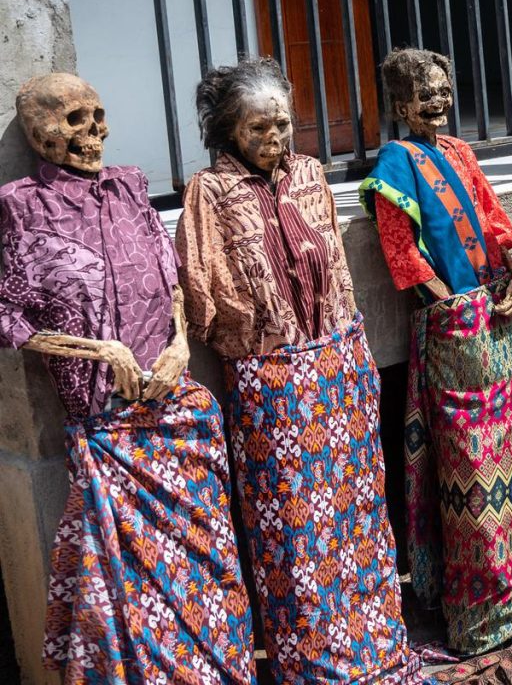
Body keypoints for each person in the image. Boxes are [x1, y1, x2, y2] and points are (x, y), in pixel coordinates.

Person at [0, 73, 255, 682]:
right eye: (73, 122)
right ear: (39, 135)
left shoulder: (130, 184)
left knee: (207, 566)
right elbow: (6, 315)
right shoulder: (20, 205)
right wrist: (99, 352)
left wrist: (180, 347)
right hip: (107, 424)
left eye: (98, 116)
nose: (95, 135)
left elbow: (172, 283)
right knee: (140, 588)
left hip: (181, 417)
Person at [175, 57, 423, 683]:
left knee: (357, 514)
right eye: (257, 129)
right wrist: (263, 337)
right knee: (294, 531)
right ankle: (315, 660)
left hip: (340, 368)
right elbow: (203, 294)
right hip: (271, 381)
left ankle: (374, 641)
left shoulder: (311, 174)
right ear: (227, 130)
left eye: (282, 125)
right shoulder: (209, 191)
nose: (274, 140)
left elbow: (336, 271)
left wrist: (353, 351)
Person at [359, 48, 512, 656]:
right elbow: (402, 252)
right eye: (424, 94)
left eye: (443, 89)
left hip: (498, 320)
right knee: (470, 467)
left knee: (509, 461)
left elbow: (493, 218)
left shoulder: (461, 152)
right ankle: (479, 611)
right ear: (400, 105)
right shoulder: (396, 159)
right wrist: (452, 307)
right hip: (455, 329)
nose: (437, 101)